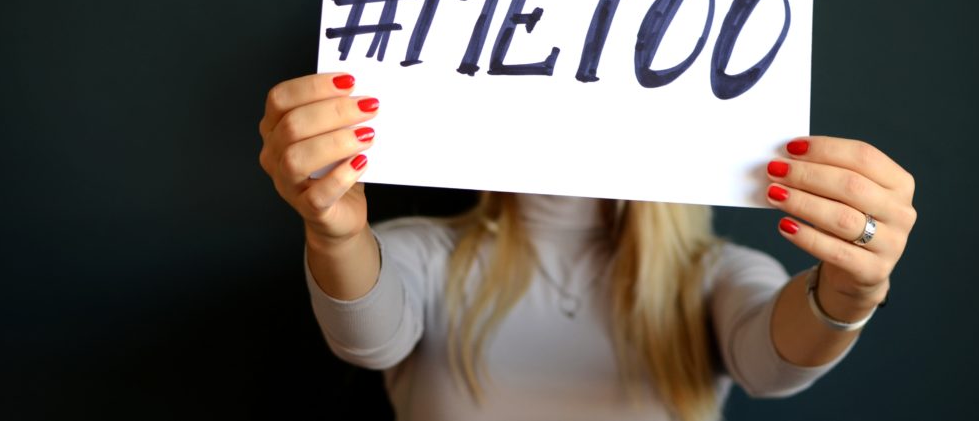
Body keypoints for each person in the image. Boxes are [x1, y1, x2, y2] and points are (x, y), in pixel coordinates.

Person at [258, 73, 917, 421]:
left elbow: (774, 366)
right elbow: (367, 335)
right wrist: (333, 229)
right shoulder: (426, 253)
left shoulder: (713, 275)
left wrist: (851, 290)